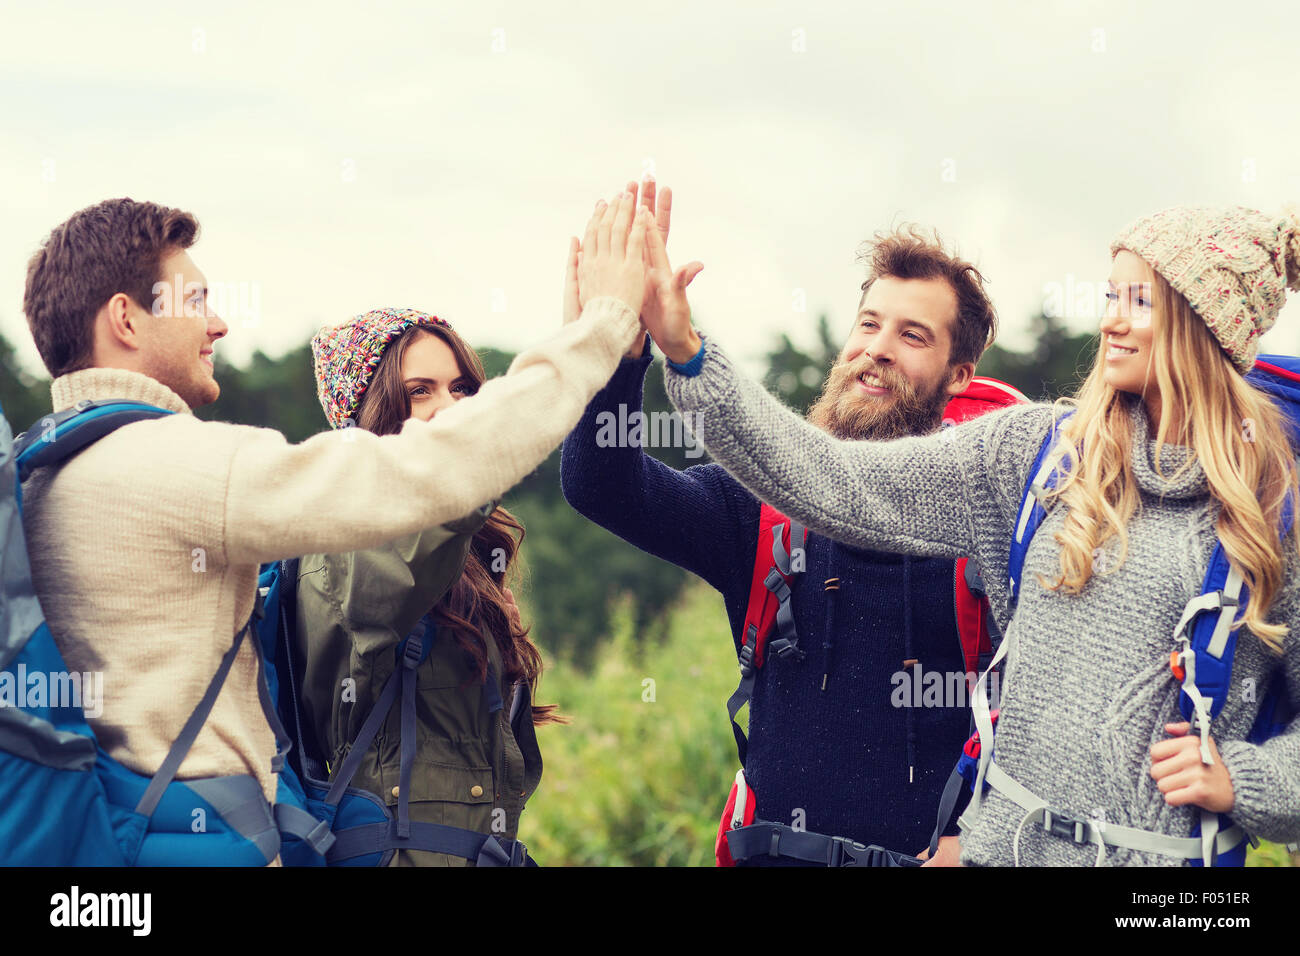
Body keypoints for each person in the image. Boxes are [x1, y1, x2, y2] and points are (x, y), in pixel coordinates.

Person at [645, 201, 1300, 866]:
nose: (1111, 319)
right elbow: (836, 480)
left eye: (1141, 301)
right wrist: (690, 356)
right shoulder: (1036, 454)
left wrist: (1245, 781)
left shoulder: (1275, 512)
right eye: (1110, 296)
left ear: (1205, 324)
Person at [18, 192, 651, 863]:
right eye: (196, 299)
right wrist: (599, 330)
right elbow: (433, 473)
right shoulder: (178, 468)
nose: (221, 323)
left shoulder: (39, 472)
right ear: (125, 318)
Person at [562, 178, 1016, 864]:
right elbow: (604, 486)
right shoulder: (757, 511)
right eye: (869, 323)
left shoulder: (991, 524)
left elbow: (1045, 718)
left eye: (911, 335)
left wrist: (980, 839)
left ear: (959, 374)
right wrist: (621, 350)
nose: (878, 347)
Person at [293, 307, 559, 866]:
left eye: (463, 388)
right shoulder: (343, 539)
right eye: (420, 390)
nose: (451, 407)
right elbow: (392, 575)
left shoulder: (456, 560)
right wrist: (576, 359)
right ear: (369, 416)